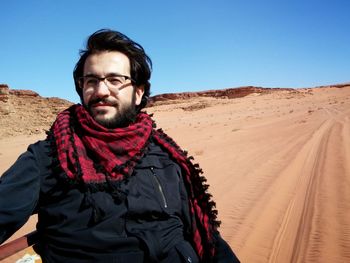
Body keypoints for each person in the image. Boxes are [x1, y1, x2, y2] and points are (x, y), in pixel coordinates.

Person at [0, 29, 240, 262]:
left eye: (115, 79)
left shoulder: (166, 154)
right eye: (91, 80)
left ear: (138, 92)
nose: (101, 91)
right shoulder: (48, 157)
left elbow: (203, 233)